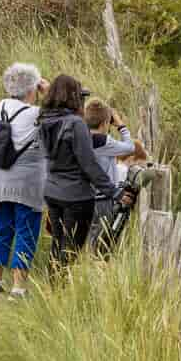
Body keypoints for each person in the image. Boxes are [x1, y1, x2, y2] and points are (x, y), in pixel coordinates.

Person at [37, 75, 129, 270]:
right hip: (76, 195)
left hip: (52, 191)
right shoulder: (76, 123)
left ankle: (53, 289)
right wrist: (115, 192)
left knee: (57, 243)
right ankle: (62, 291)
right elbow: (88, 164)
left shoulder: (44, 119)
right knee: (71, 250)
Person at [0, 63, 50, 298]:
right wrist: (49, 92)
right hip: (27, 183)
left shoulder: (1, 106)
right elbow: (61, 114)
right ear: (33, 88)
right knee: (26, 232)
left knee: (2, 229)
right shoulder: (36, 114)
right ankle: (19, 287)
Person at [83, 99, 136, 251]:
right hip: (103, 199)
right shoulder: (104, 141)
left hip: (84, 197)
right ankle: (97, 267)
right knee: (101, 241)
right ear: (105, 123)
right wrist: (121, 126)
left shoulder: (81, 138)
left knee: (86, 239)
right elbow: (130, 147)